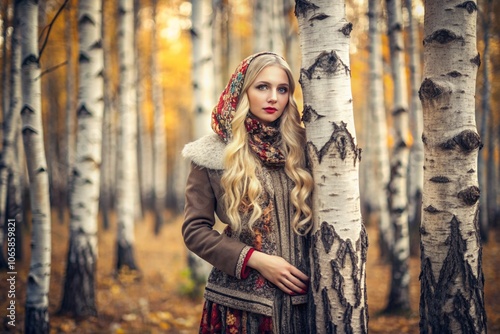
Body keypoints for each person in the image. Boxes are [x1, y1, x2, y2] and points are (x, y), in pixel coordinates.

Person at [182, 52, 314, 334]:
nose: (273, 98)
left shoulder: (307, 148)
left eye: (282, 89)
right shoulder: (213, 153)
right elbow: (194, 230)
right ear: (243, 91)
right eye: (262, 87)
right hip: (241, 307)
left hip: (309, 304)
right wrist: (256, 259)